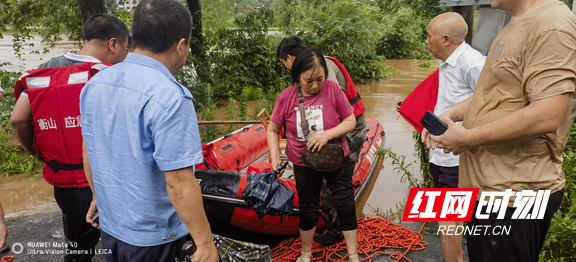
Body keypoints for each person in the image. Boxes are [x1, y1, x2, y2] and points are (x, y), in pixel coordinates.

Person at [423, 0, 576, 261]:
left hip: (513, 198)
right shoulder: (515, 24)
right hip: (490, 191)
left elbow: (548, 113)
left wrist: (468, 137)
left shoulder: (550, 24)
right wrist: (450, 114)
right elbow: (491, 94)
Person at [80, 0, 219, 261]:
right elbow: (178, 182)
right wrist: (205, 243)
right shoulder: (171, 97)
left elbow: (90, 149)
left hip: (111, 229)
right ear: (181, 47)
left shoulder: (95, 83)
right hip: (155, 239)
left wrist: (98, 196)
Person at [10, 14, 130, 262]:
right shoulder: (110, 75)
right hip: (103, 181)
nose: (125, 57)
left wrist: (36, 152)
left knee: (77, 242)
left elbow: (18, 119)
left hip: (63, 179)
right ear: (114, 44)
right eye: (126, 50)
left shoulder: (45, 70)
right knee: (117, 241)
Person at [398, 12, 485, 262]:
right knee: (448, 216)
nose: (426, 41)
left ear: (446, 39)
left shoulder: (472, 63)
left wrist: (448, 116)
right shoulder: (447, 60)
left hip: (458, 159)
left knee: (448, 216)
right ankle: (455, 257)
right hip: (441, 153)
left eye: (429, 36)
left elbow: (487, 100)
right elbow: (448, 97)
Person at [267, 47, 359, 262]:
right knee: (308, 208)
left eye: (320, 78)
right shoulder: (286, 97)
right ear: (297, 75)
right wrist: (274, 158)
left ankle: (353, 254)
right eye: (309, 81)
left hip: (335, 158)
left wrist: (327, 135)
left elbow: (350, 120)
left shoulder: (333, 91)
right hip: (303, 161)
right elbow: (273, 129)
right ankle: (306, 253)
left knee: (344, 203)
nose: (316, 85)